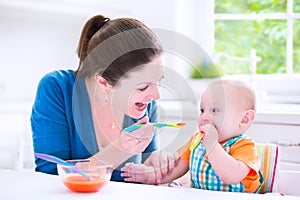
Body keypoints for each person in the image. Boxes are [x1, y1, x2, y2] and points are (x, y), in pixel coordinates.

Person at [30, 14, 178, 182]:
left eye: (159, 80)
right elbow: (49, 178)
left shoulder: (144, 102)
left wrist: (155, 167)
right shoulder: (57, 89)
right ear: (103, 82)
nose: (156, 95)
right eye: (143, 86)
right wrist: (120, 149)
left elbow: (147, 171)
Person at [121, 79, 264, 193]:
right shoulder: (196, 141)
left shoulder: (245, 146)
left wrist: (212, 144)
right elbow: (175, 169)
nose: (205, 117)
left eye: (215, 110)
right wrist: (149, 175)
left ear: (244, 119)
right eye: (202, 110)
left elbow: (231, 176)